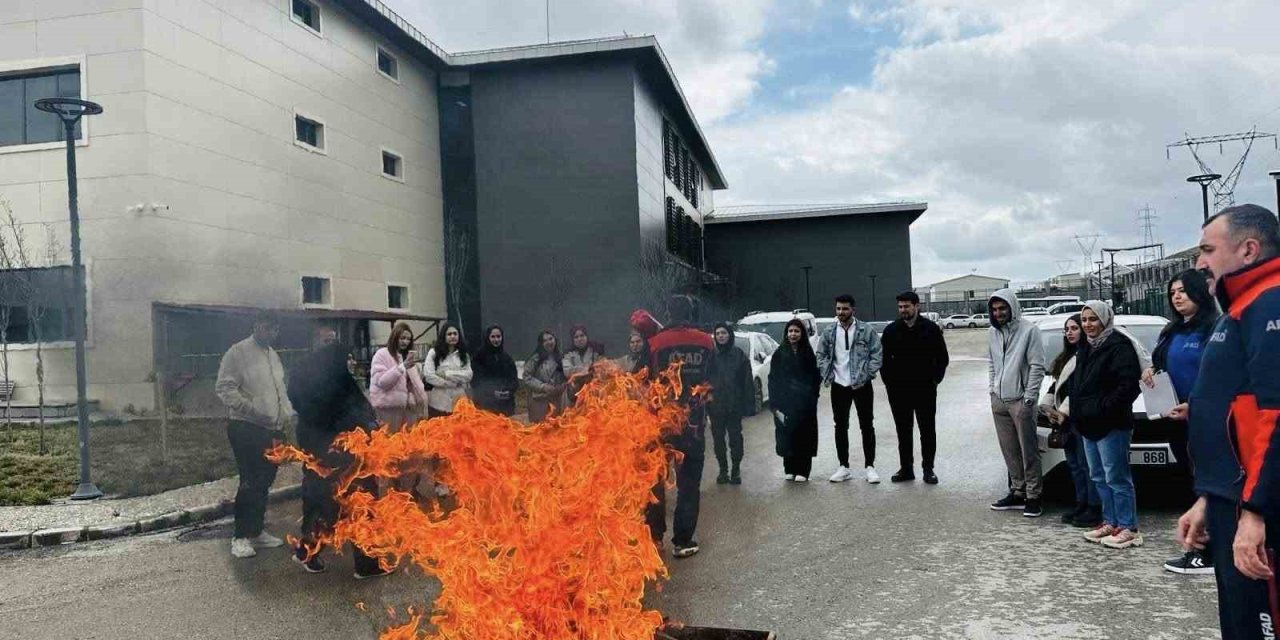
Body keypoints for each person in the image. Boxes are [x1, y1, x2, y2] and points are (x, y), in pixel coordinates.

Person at [1176, 204, 1280, 640]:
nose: (1200, 263)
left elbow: (1274, 415)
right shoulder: (1241, 308)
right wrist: (1209, 498)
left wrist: (1257, 512)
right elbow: (1230, 416)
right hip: (1230, 500)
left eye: (1207, 250)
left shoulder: (1270, 301)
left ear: (1248, 249)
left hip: (1255, 510)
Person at [285, 329, 391, 579]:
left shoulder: (338, 373)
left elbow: (358, 406)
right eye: (325, 341)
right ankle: (353, 561)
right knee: (338, 502)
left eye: (333, 340)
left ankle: (357, 560)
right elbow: (309, 406)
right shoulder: (304, 372)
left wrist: (369, 425)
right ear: (314, 343)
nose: (331, 346)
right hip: (327, 449)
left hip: (346, 448)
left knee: (344, 502)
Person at [1145, 270, 1219, 574]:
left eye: (1184, 291)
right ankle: (1196, 547)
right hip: (1176, 420)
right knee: (1193, 484)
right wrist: (1149, 371)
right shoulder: (1172, 331)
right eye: (1173, 292)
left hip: (1208, 420)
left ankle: (1209, 553)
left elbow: (1219, 378)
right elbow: (1160, 365)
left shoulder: (1214, 329)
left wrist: (1196, 405)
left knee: (1209, 487)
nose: (1177, 296)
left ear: (1200, 293)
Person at [214, 311, 296, 559]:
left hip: (272, 428)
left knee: (264, 481)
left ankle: (257, 531)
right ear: (256, 326)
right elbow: (224, 388)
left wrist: (285, 415)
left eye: (275, 329)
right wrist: (253, 410)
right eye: (266, 327)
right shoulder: (237, 352)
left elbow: (279, 389)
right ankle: (239, 537)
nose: (271, 332)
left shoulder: (273, 355)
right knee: (249, 482)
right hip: (246, 427)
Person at [641, 296, 714, 558]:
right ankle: (683, 541)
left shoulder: (654, 343)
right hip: (693, 426)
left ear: (668, 312)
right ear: (691, 313)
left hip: (659, 425)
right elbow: (714, 382)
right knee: (688, 484)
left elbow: (640, 382)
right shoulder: (706, 341)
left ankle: (654, 538)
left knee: (655, 482)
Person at [1072, 301, 1143, 549]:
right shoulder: (1085, 347)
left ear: (1105, 319)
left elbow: (1128, 386)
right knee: (1098, 476)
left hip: (1112, 424)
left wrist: (1103, 409)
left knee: (1117, 477)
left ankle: (1128, 526)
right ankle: (1110, 521)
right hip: (1088, 424)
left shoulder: (1119, 346)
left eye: (1093, 319)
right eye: (1085, 320)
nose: (1089, 325)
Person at [986, 289, 1047, 517]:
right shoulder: (992, 332)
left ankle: (1034, 496)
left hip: (1021, 401)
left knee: (1028, 451)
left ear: (1012, 307)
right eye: (994, 309)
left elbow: (1037, 366)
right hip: (1000, 400)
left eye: (1002, 308)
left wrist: (1029, 398)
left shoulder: (1029, 331)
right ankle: (1018, 491)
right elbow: (991, 363)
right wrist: (992, 390)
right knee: (1010, 450)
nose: (998, 312)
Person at [880, 291, 949, 484]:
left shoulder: (931, 329)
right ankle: (906, 469)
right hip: (899, 391)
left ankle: (928, 469)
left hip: (925, 390)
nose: (903, 310)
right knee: (903, 430)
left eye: (906, 306)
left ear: (916, 306)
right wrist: (889, 384)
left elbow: (942, 358)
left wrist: (935, 380)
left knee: (927, 430)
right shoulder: (891, 331)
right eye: (900, 307)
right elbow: (883, 361)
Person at [1041, 314, 1102, 529]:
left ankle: (1094, 507)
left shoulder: (1088, 354)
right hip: (1064, 419)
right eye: (1067, 329)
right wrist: (1047, 405)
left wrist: (1063, 411)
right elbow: (1056, 385)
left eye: (1074, 328)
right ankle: (1081, 503)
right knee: (1075, 465)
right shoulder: (1065, 356)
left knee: (1088, 466)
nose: (1070, 332)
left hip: (1081, 417)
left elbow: (1081, 388)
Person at [816, 294, 884, 484]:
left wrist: (867, 374)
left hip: (861, 385)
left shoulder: (865, 330)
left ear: (853, 310)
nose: (841, 312)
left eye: (845, 309)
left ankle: (870, 467)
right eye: (838, 309)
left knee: (867, 425)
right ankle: (843, 467)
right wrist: (827, 374)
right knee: (840, 426)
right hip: (839, 385)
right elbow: (820, 355)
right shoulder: (829, 332)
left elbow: (877, 353)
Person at [770, 318, 822, 483]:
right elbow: (773, 379)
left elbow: (815, 378)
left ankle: (803, 471)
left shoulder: (808, 354)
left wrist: (812, 397)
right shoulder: (779, 353)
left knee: (804, 436)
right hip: (785, 403)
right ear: (786, 333)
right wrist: (775, 404)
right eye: (790, 331)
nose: (793, 334)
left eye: (796, 331)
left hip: (805, 404)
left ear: (802, 334)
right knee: (787, 435)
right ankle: (789, 468)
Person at [707, 321, 754, 485]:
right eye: (718, 333)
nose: (721, 336)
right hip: (716, 407)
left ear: (729, 335)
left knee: (735, 439)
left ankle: (735, 469)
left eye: (724, 333)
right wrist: (707, 397)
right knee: (718, 440)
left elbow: (747, 381)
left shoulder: (739, 355)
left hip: (734, 405)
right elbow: (704, 380)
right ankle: (723, 470)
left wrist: (749, 405)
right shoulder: (710, 356)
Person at [369, 322, 427, 430]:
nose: (405, 341)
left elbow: (414, 386)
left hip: (408, 410)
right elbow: (383, 383)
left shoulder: (407, 358)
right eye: (402, 338)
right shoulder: (382, 354)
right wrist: (402, 367)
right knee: (389, 442)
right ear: (395, 337)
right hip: (387, 409)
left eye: (408, 339)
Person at [422, 323, 473, 418]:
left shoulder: (464, 355)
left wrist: (446, 374)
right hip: (438, 404)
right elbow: (429, 376)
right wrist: (451, 383)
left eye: (455, 334)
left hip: (459, 403)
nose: (452, 336)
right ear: (443, 336)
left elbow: (468, 375)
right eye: (449, 334)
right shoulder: (434, 353)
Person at [471, 325, 519, 416]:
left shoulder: (507, 358)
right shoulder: (479, 357)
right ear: (487, 338)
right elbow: (476, 380)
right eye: (493, 337)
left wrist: (508, 391)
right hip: (485, 405)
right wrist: (492, 392)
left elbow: (514, 380)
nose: (496, 340)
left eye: (498, 336)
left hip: (505, 406)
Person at [523, 330, 568, 422]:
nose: (548, 342)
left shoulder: (562, 357)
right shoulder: (535, 359)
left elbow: (567, 376)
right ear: (541, 343)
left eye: (550, 339)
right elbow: (527, 377)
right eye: (545, 340)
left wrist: (562, 386)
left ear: (555, 340)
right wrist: (543, 387)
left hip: (556, 401)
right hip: (539, 401)